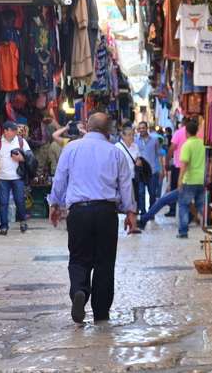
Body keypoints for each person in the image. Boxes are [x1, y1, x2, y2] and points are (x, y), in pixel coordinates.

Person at [48, 112, 137, 324]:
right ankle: (101, 311)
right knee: (104, 262)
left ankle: (79, 291)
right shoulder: (116, 153)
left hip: (79, 212)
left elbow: (60, 179)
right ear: (109, 131)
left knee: (78, 257)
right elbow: (125, 185)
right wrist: (130, 212)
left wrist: (54, 204)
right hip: (106, 212)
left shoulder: (71, 148)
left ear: (87, 127)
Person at [0, 121, 31, 235]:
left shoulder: (21, 142)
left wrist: (21, 158)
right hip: (2, 178)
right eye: (13, 131)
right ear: (5, 131)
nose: (16, 133)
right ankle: (4, 226)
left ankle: (22, 221)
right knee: (3, 202)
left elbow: (30, 157)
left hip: (17, 177)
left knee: (20, 200)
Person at [175, 118, 206, 239]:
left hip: (189, 180)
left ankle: (183, 231)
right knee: (201, 205)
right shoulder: (202, 143)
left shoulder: (187, 145)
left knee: (183, 205)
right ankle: (210, 225)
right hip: (201, 179)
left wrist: (179, 180)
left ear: (186, 132)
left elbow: (184, 165)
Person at [115, 123, 148, 233]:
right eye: (128, 135)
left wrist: (139, 162)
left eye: (132, 135)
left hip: (134, 178)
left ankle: (132, 224)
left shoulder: (135, 146)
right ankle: (130, 223)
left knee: (134, 202)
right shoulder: (117, 148)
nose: (131, 137)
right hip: (122, 180)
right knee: (127, 202)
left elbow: (138, 158)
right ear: (122, 136)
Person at [135, 121, 166, 213]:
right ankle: (143, 212)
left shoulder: (154, 140)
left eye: (143, 128)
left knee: (152, 193)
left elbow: (158, 154)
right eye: (140, 128)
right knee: (141, 193)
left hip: (152, 170)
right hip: (140, 171)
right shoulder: (135, 140)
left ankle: (151, 212)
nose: (141, 130)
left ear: (146, 128)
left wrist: (161, 169)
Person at [164, 120, 187, 217]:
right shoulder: (196, 134)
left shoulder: (178, 132)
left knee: (174, 188)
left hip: (178, 166)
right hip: (189, 168)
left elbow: (172, 148)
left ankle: (173, 209)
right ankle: (188, 212)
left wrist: (167, 161)